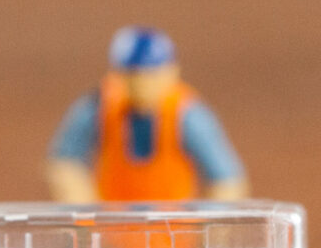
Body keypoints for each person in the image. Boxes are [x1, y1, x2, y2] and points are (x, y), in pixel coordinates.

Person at [45, 27, 249, 202]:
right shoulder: (99, 107)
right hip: (113, 233)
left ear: (171, 72)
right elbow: (64, 163)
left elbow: (226, 180)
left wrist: (210, 230)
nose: (142, 84)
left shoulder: (187, 115)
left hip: (172, 236)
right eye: (133, 76)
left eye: (151, 75)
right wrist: (85, 214)